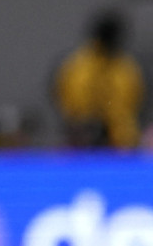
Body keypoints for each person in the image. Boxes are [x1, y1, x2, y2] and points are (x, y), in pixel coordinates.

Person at [53, 9, 145, 149]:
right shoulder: (76, 66)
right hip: (83, 138)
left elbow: (136, 102)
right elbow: (64, 99)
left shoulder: (126, 68)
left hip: (120, 140)